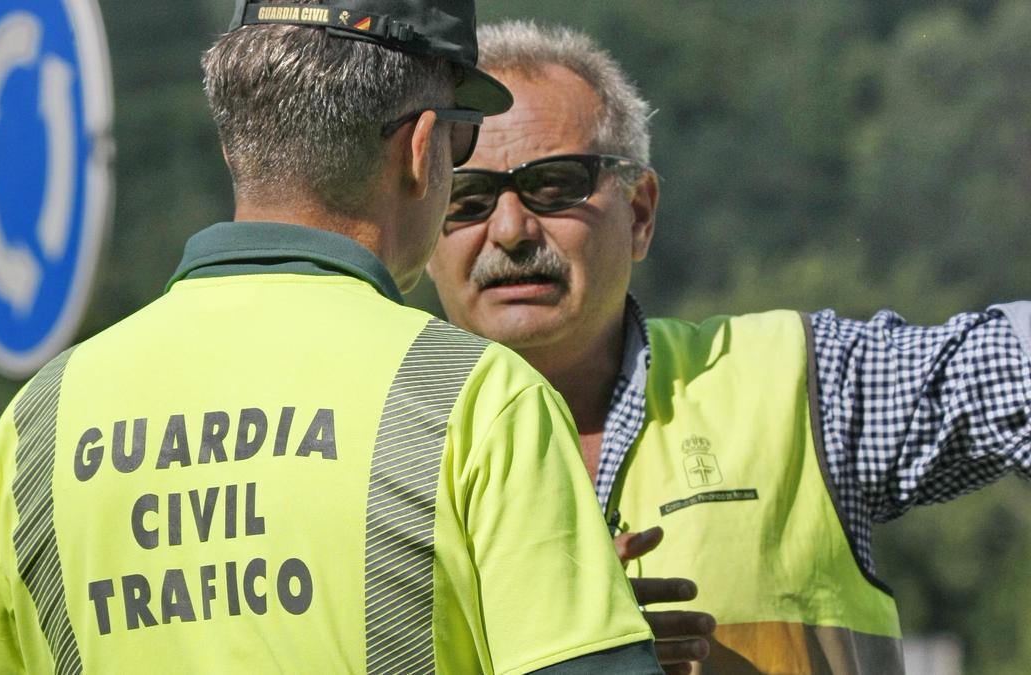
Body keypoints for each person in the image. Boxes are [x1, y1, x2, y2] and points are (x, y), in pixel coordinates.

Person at [0, 3, 665, 673]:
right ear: (422, 148)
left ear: (238, 146)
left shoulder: (38, 423)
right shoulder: (478, 399)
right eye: (463, 143)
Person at [425, 19, 1031, 675]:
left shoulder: (800, 385)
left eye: (556, 184)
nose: (512, 228)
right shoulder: (363, 438)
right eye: (467, 196)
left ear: (640, 213)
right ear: (421, 225)